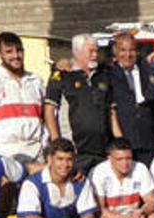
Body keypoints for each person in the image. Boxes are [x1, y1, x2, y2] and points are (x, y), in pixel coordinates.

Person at [45, 33, 121, 176]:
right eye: (90, 51)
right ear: (77, 52)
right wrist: (56, 144)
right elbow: (50, 111)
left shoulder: (104, 76)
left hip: (103, 151)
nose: (95, 55)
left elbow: (112, 112)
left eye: (96, 51)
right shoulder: (62, 76)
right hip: (75, 151)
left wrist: (119, 142)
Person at [0, 32, 47, 170]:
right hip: (3, 153)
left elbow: (45, 117)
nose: (15, 56)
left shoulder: (36, 81)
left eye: (19, 50)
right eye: (9, 52)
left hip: (35, 153)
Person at [108, 32, 154, 167]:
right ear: (115, 51)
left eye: (131, 50)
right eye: (123, 50)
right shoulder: (108, 75)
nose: (128, 55)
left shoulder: (150, 72)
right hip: (123, 141)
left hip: (147, 140)